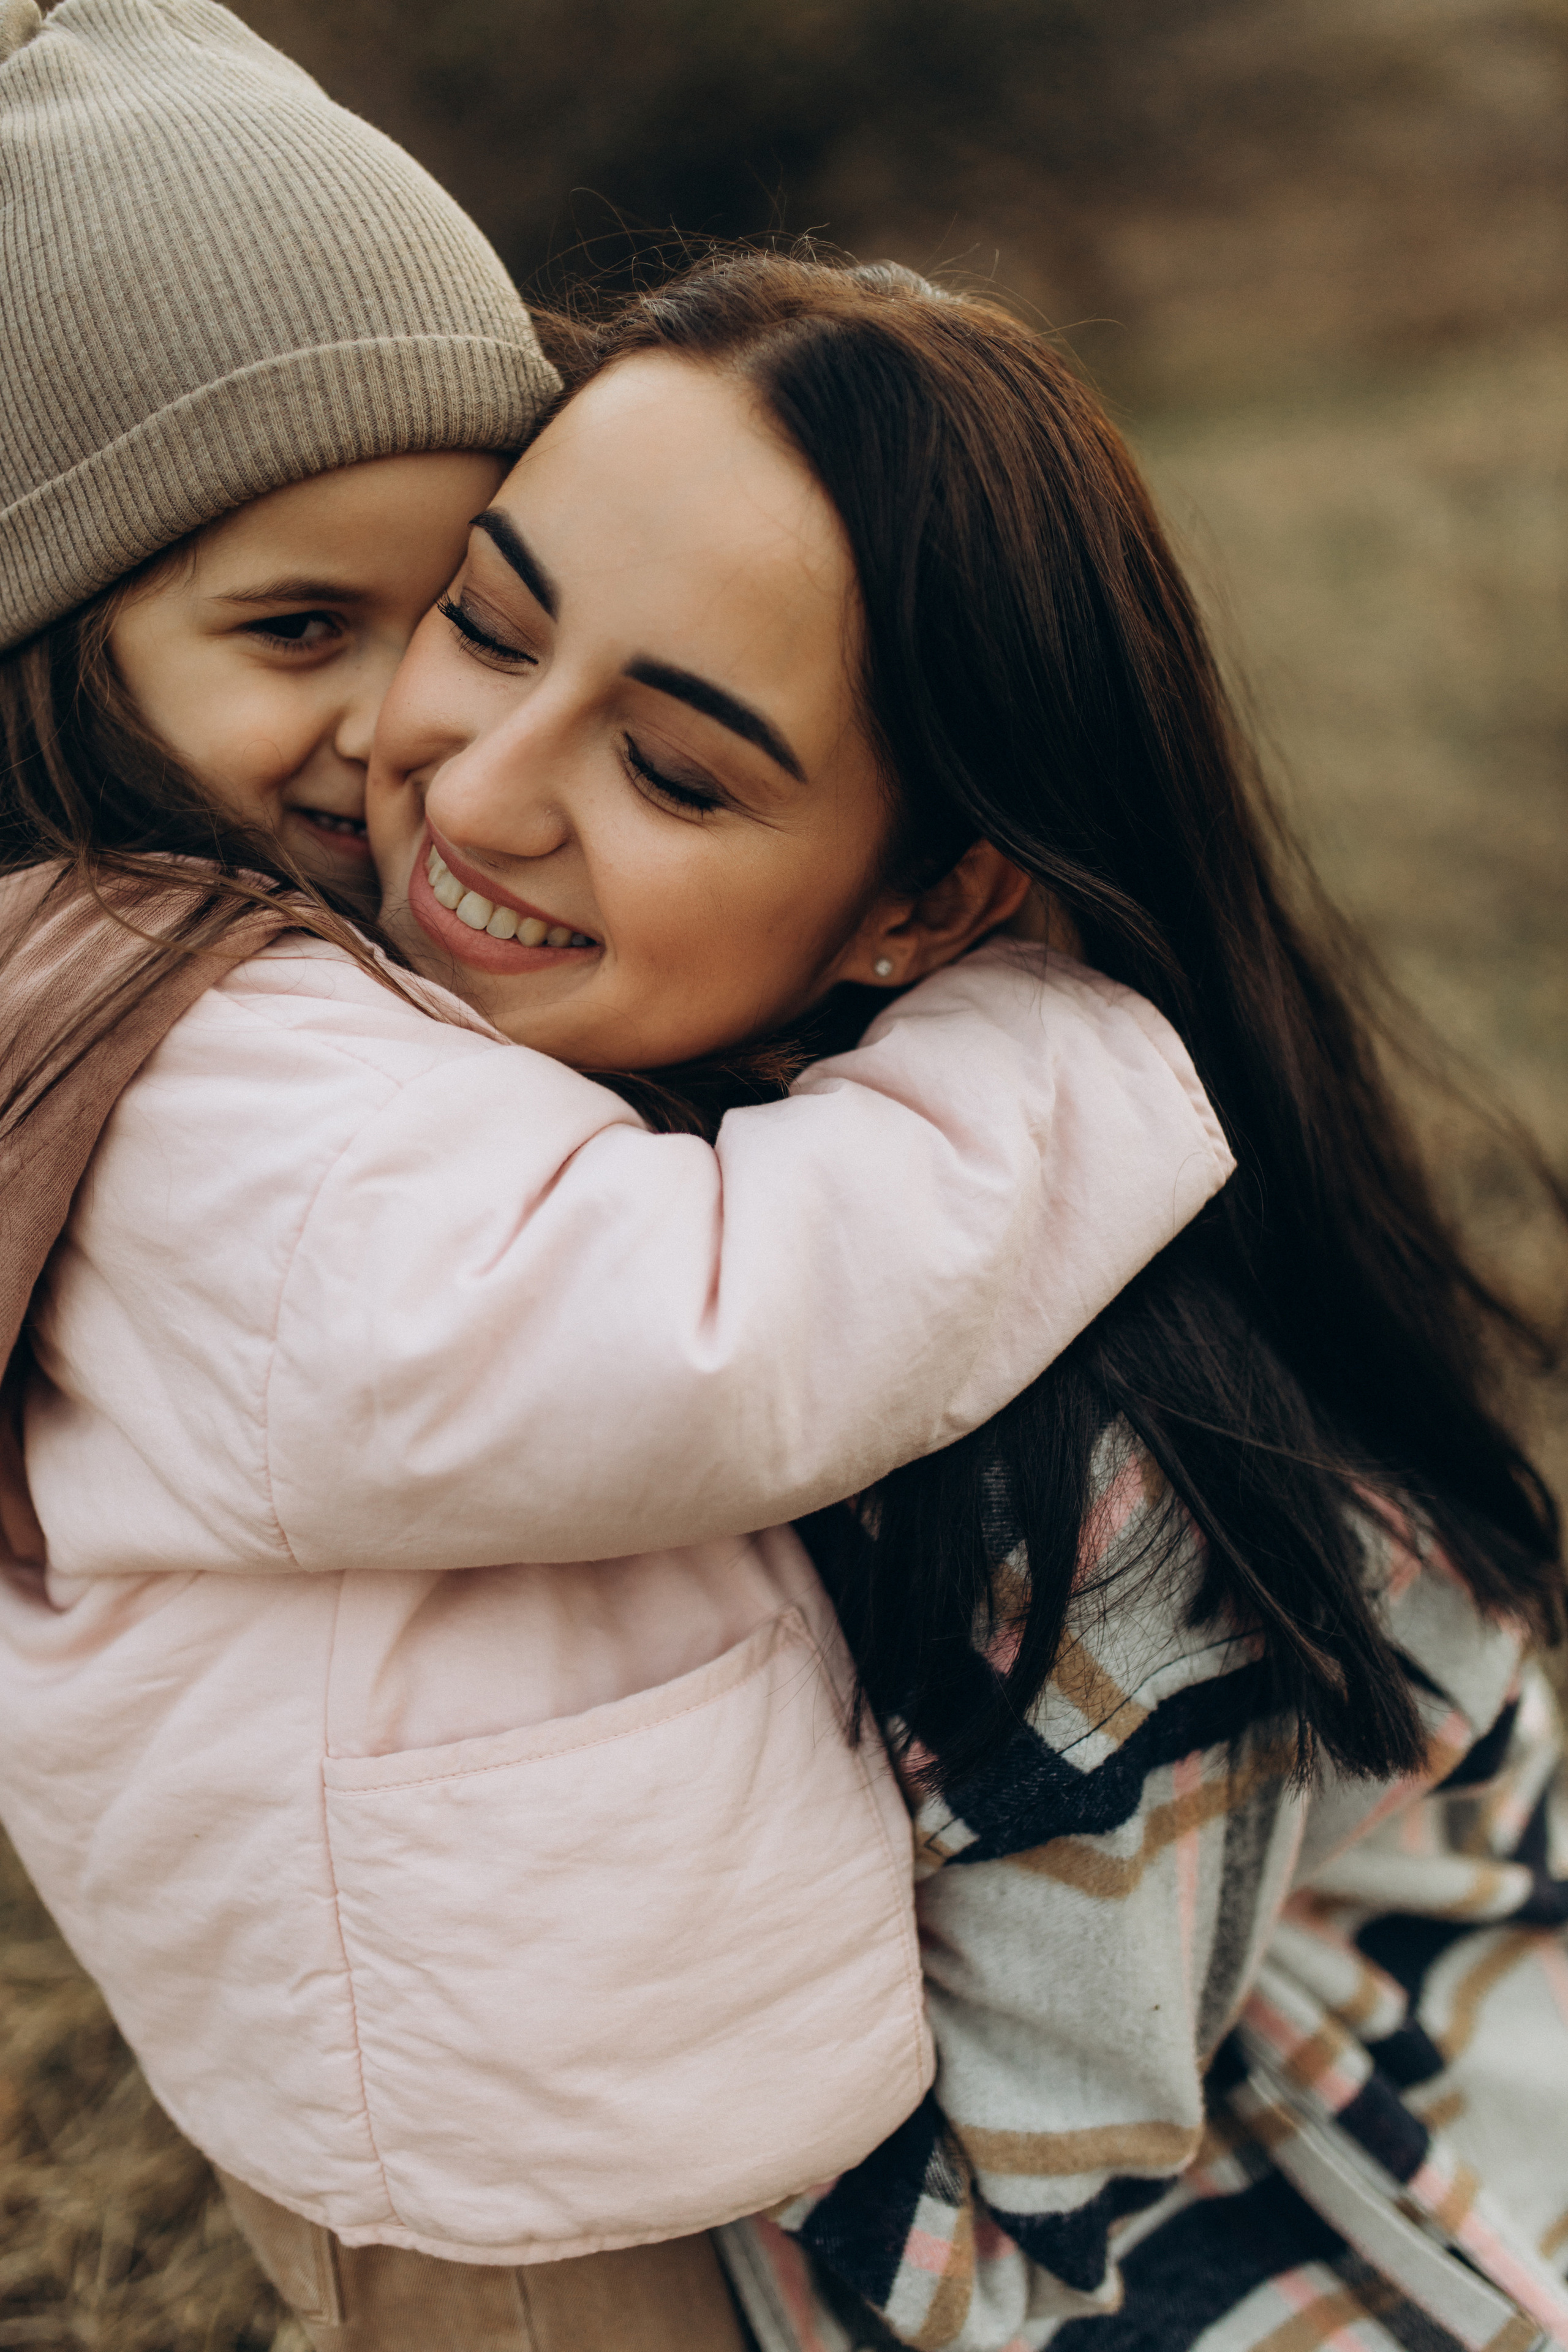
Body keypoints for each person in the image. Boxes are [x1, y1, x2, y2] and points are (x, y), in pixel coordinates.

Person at [0, 8, 1232, 2345]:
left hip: (481, 2063)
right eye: (299, 631)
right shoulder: (201, 1068)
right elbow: (685, 1332)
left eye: (436, 595)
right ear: (53, 642)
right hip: (502, 2143)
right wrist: (1040, 1061)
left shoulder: (164, 987)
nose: (414, 756)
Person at [417, 256, 1568, 2351]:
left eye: (675, 772)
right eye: (487, 621)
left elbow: (992, 2271)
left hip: (1323, 2182)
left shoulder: (1112, 1509)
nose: (477, 791)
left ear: (927, 902)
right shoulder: (346, 1054)